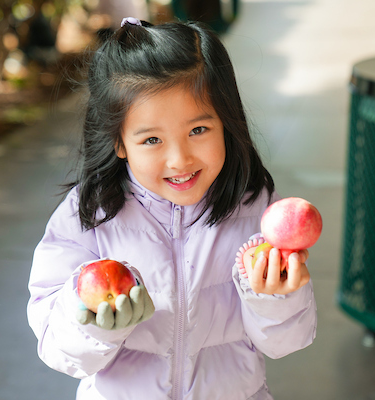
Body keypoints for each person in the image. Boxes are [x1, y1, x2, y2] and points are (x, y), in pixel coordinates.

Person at [27, 17, 317, 399]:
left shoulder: (255, 209)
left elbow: (286, 343)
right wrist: (95, 326)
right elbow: (60, 351)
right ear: (119, 142)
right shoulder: (89, 215)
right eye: (151, 139)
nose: (179, 159)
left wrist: (275, 296)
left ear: (227, 123)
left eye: (198, 130)